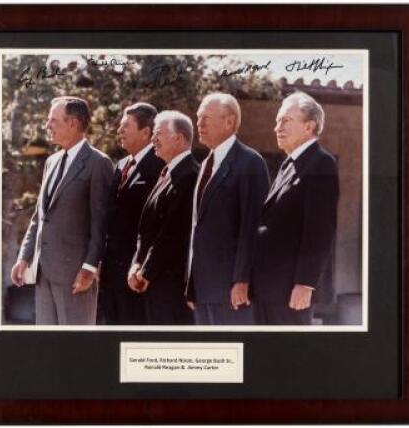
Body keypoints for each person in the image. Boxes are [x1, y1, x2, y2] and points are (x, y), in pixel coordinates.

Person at [10, 96, 114, 325]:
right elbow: (40, 217)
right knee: (48, 344)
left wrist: (90, 267)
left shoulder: (99, 163)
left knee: (75, 347)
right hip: (43, 272)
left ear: (73, 123)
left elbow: (102, 223)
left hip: (76, 276)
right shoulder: (52, 161)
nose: (48, 126)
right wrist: (24, 257)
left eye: (53, 120)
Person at [252, 91, 339, 325]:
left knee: (285, 355)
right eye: (277, 121)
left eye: (286, 121)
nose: (276, 128)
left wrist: (305, 283)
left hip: (289, 291)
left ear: (309, 126)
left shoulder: (321, 162)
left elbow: (320, 229)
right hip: (267, 287)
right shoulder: (288, 165)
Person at [187, 93, 270, 325]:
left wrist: (243, 280)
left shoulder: (250, 162)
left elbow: (253, 226)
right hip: (203, 289)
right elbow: (198, 227)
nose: (199, 124)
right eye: (198, 118)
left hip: (232, 289)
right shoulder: (205, 164)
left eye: (206, 118)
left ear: (229, 122)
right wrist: (191, 283)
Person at [128, 111, 199, 325]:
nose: (153, 140)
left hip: (170, 284)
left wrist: (145, 272)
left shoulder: (189, 175)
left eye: (158, 133)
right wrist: (136, 264)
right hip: (154, 280)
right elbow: (148, 227)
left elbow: (172, 233)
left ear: (178, 138)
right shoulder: (167, 173)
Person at [99, 102, 164, 325]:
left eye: (126, 126)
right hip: (110, 273)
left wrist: (142, 268)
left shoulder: (159, 165)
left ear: (146, 132)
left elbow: (156, 225)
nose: (119, 131)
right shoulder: (122, 164)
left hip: (135, 274)